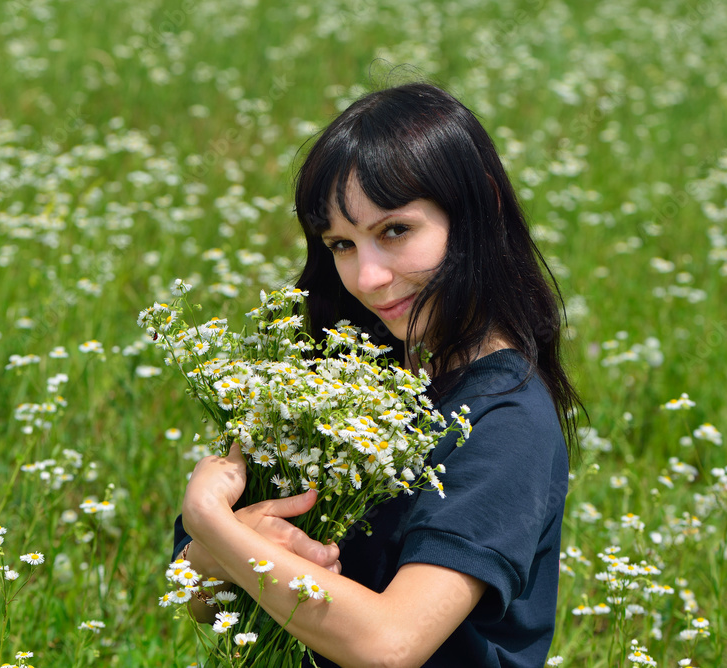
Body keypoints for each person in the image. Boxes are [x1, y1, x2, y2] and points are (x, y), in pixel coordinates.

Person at [173, 81, 581, 667]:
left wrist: (214, 524)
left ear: (480, 207)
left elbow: (391, 645)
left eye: (395, 231)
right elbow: (199, 602)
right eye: (341, 243)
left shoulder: (504, 416)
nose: (367, 278)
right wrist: (223, 552)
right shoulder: (325, 379)